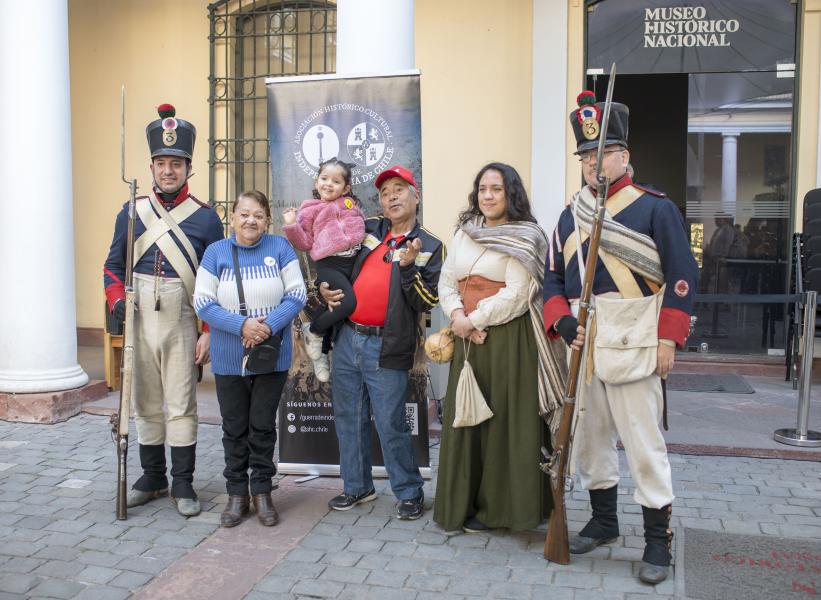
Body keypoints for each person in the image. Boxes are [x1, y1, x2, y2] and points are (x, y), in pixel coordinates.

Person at [543, 90, 698, 584]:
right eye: (586, 156)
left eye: (603, 153)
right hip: (584, 344)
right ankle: (604, 521)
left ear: (624, 156)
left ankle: (658, 540)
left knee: (644, 445)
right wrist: (562, 322)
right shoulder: (570, 217)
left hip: (636, 340)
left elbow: (682, 276)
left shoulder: (654, 209)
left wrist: (668, 339)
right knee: (589, 440)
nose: (593, 164)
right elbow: (552, 281)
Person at [103, 103, 224, 517]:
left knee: (180, 401)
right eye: (161, 163)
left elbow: (214, 280)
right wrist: (118, 301)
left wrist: (208, 329)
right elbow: (113, 266)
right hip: (139, 315)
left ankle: (184, 483)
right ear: (151, 167)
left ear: (189, 167)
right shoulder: (131, 211)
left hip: (182, 317)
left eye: (176, 163)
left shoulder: (207, 220)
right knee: (144, 401)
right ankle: (152, 476)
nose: (168, 170)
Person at [433, 162, 566, 533]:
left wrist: (471, 321)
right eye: (482, 189)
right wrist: (458, 314)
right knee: (466, 419)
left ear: (511, 194)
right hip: (468, 340)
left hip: (508, 340)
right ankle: (463, 505)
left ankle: (505, 511)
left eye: (496, 189)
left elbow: (518, 293)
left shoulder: (527, 236)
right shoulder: (465, 232)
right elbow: (447, 281)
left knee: (505, 422)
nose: (488, 196)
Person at [320, 165, 444, 520]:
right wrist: (324, 286)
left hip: (387, 345)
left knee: (391, 422)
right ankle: (357, 487)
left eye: (399, 189)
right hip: (347, 336)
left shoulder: (431, 245)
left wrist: (407, 268)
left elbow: (426, 302)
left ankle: (408, 492)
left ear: (415, 195)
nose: (391, 196)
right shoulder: (369, 228)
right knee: (349, 417)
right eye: (385, 190)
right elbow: (338, 261)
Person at [194, 190, 306, 527]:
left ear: (267, 219)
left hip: (271, 355)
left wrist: (266, 327)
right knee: (234, 428)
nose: (251, 220)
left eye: (258, 214)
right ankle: (236, 494)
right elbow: (203, 302)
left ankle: (262, 491)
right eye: (244, 214)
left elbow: (297, 294)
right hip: (229, 357)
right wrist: (241, 324)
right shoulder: (216, 252)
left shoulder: (280, 248)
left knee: (261, 427)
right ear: (232, 218)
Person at [282, 158, 365, 382]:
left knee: (336, 308)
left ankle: (321, 355)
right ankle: (314, 331)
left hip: (353, 262)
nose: (329, 184)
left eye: (336, 181)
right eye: (324, 178)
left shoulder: (350, 205)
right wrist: (291, 225)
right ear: (316, 181)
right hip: (330, 263)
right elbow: (304, 242)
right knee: (347, 303)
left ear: (346, 188)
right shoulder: (310, 209)